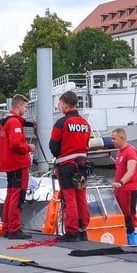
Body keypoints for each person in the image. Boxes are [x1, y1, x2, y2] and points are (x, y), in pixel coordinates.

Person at [49, 90, 91, 242]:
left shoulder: (61, 122)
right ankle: (83, 229)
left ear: (66, 105)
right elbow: (87, 144)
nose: (59, 106)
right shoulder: (85, 123)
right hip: (82, 166)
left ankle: (71, 231)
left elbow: (53, 145)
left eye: (60, 104)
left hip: (66, 165)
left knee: (69, 198)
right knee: (81, 197)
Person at [0, 94, 35, 239]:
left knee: (10, 194)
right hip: (17, 163)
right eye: (25, 106)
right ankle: (14, 228)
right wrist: (29, 147)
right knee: (17, 196)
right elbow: (16, 144)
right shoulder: (13, 122)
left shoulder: (5, 121)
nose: (25, 110)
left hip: (9, 163)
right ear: (18, 106)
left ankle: (7, 227)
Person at [111, 127, 137, 234]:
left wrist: (121, 182)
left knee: (129, 216)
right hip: (119, 189)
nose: (112, 141)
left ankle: (132, 235)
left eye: (114, 139)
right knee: (121, 215)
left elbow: (131, 171)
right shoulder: (119, 152)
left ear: (122, 138)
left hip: (128, 189)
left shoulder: (130, 151)